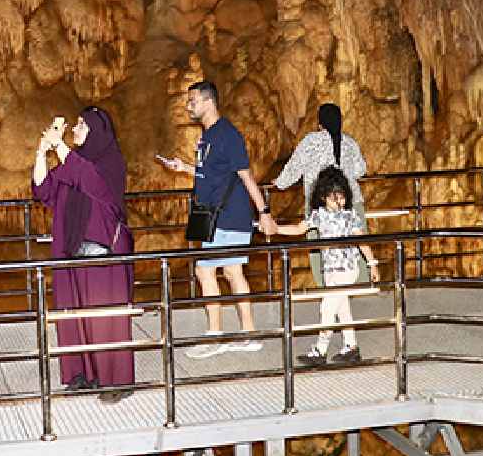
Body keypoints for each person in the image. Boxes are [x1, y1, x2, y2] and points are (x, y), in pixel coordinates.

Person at [159, 81, 275, 359]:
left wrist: (264, 212)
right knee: (232, 272)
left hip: (229, 215)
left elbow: (246, 175)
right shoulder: (208, 136)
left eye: (193, 100)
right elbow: (211, 174)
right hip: (215, 215)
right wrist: (184, 168)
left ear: (209, 102)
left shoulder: (227, 135)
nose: (189, 106)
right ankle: (248, 334)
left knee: (206, 271)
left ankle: (216, 335)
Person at [33, 107, 134, 403]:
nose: (75, 129)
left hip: (102, 251)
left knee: (105, 318)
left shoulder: (110, 162)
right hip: (71, 249)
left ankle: (117, 380)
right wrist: (42, 151)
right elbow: (43, 189)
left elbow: (90, 180)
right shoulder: (73, 162)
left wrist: (60, 146)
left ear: (96, 130)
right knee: (73, 315)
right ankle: (83, 374)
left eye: (81, 125)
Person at [274, 166, 377, 366]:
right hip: (330, 270)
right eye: (333, 198)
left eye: (342, 197)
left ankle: (320, 350)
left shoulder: (350, 215)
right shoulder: (318, 215)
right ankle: (351, 346)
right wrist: (277, 228)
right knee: (342, 308)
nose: (339, 202)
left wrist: (372, 263)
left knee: (327, 308)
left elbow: (362, 241)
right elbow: (298, 229)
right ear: (323, 197)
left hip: (347, 269)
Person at [274, 103, 367, 287]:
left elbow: (294, 168)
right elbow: (360, 170)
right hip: (350, 203)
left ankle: (327, 287)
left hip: (321, 205)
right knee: (357, 244)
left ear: (320, 123)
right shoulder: (349, 142)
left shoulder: (311, 141)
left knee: (320, 250)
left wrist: (279, 183)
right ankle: (361, 286)